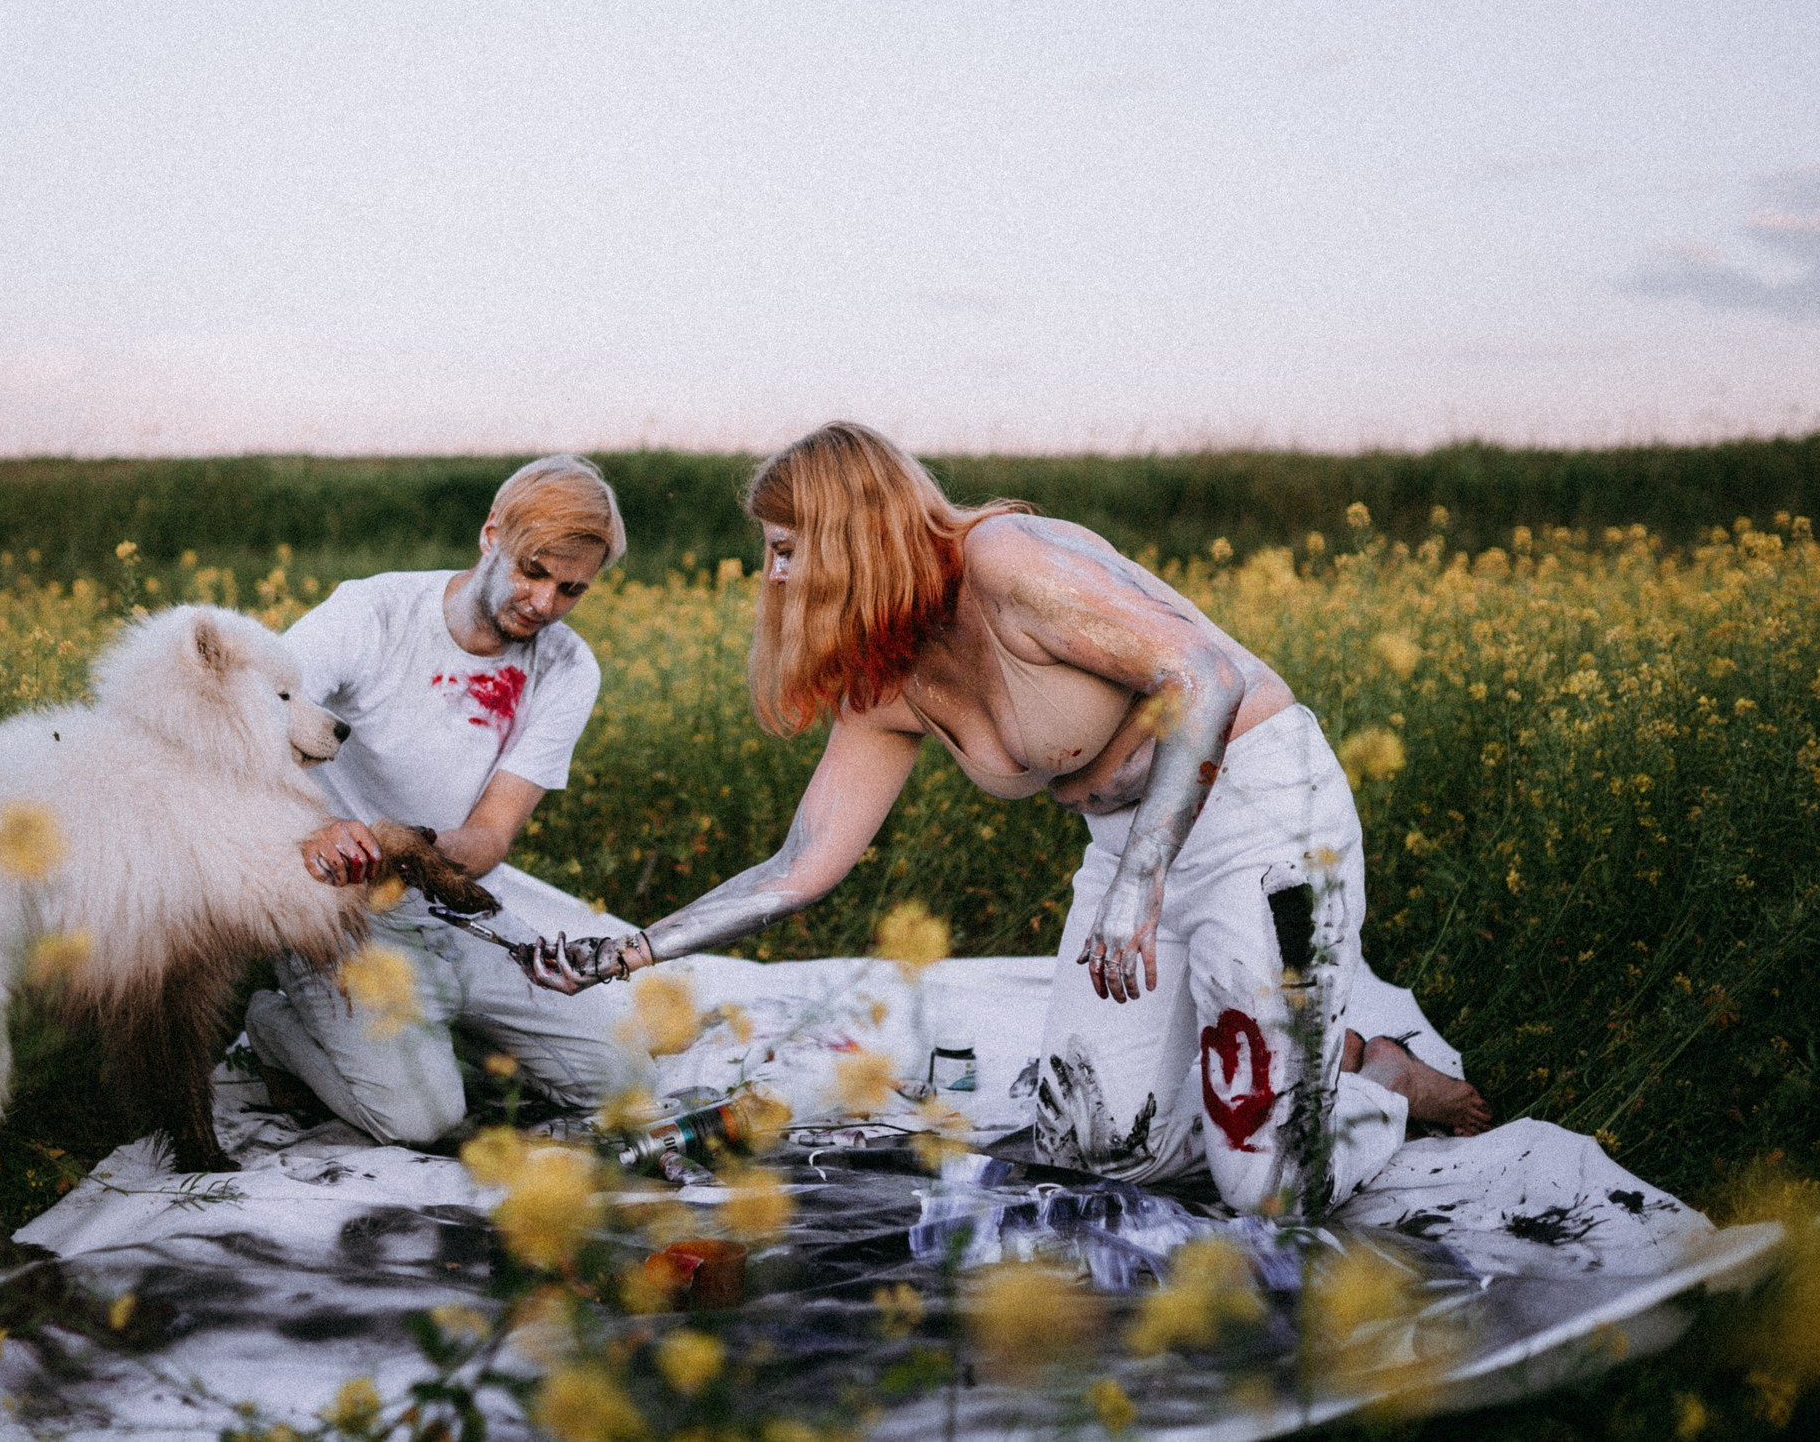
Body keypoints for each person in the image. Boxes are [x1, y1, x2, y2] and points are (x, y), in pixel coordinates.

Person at [520, 423, 1487, 1217]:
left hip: (1259, 815)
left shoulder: (1004, 561)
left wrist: (1139, 888)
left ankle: (1374, 1077)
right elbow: (803, 863)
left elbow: (1207, 675)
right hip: (1129, 850)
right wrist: (634, 951)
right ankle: (1280, 1059)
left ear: (849, 535)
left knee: (1270, 1189)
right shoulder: (884, 675)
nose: (771, 577)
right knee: (1098, 1145)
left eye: (784, 549)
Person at [244, 455, 644, 1146]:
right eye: (533, 570)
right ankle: (272, 1026)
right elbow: (250, 715)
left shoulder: (568, 667)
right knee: (422, 1121)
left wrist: (415, 849)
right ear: (492, 534)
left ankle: (427, 1031)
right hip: (339, 910)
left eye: (572, 589)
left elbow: (490, 834)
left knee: (624, 1081)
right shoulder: (375, 613)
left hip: (452, 902)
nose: (545, 603)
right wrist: (312, 829)